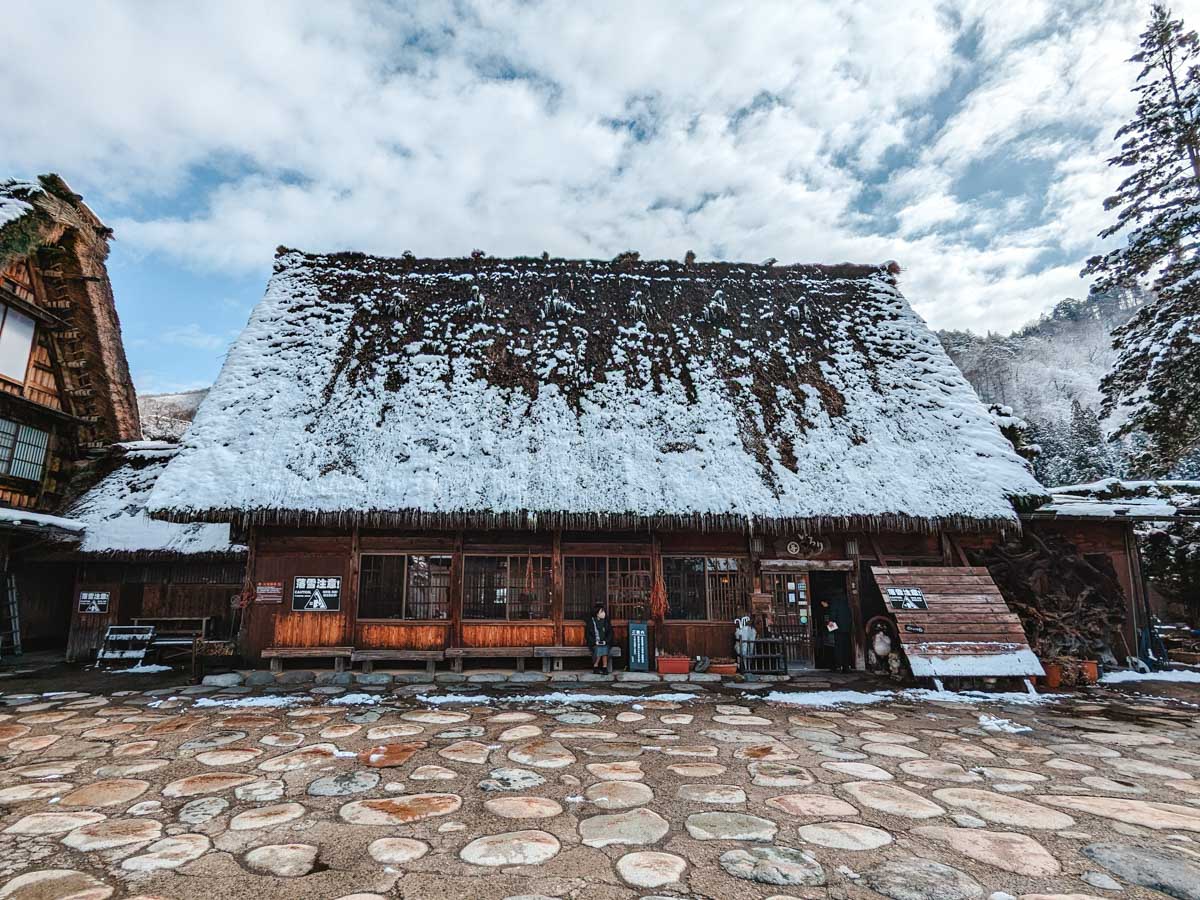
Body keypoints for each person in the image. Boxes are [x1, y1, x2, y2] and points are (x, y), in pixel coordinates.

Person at [819, 596, 854, 673]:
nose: (823, 605)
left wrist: (829, 627)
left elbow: (832, 618)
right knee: (846, 648)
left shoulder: (834, 606)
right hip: (846, 630)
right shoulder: (846, 605)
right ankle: (846, 666)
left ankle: (839, 665)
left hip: (838, 630)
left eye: (823, 603)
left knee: (838, 648)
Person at [586, 603, 614, 674]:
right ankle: (603, 667)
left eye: (604, 611)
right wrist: (594, 642)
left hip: (605, 642)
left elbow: (610, 634)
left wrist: (606, 641)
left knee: (604, 647)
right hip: (594, 643)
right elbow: (588, 635)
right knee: (599, 648)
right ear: (597, 614)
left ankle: (597, 666)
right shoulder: (591, 622)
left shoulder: (606, 621)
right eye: (602, 612)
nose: (604, 613)